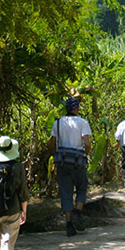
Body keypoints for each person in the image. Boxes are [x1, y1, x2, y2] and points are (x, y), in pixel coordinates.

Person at [48, 97, 92, 237]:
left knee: (66, 191)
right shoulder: (82, 122)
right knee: (82, 186)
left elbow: (52, 142)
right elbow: (87, 143)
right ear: (77, 108)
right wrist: (84, 155)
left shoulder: (58, 123)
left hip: (62, 161)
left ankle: (68, 224)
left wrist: (55, 155)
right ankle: (78, 212)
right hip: (78, 161)